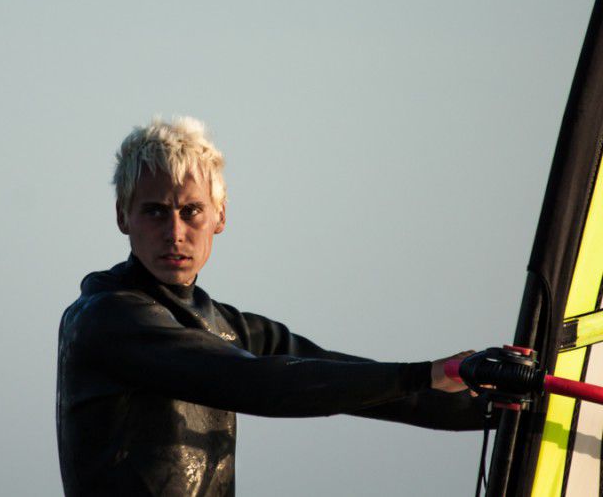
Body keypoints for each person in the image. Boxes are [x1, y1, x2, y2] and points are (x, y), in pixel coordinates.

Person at [56, 117, 488, 496]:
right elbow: (255, 382)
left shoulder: (229, 327)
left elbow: (357, 386)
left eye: (191, 211)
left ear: (220, 216)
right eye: (154, 212)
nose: (174, 232)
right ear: (122, 216)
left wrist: (494, 402)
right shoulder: (106, 319)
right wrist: (423, 373)